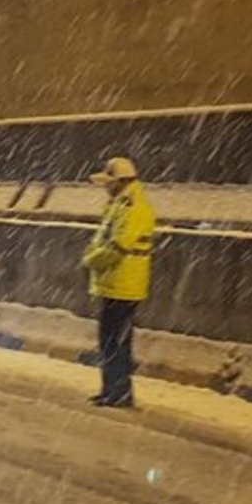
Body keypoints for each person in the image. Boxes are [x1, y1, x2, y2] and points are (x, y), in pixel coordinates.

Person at [81, 157, 156, 408]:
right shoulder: (120, 204)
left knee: (117, 341)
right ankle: (111, 390)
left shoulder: (134, 207)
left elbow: (119, 245)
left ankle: (120, 393)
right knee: (110, 340)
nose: (106, 187)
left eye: (109, 183)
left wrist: (92, 259)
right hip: (115, 283)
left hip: (125, 284)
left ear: (121, 182)